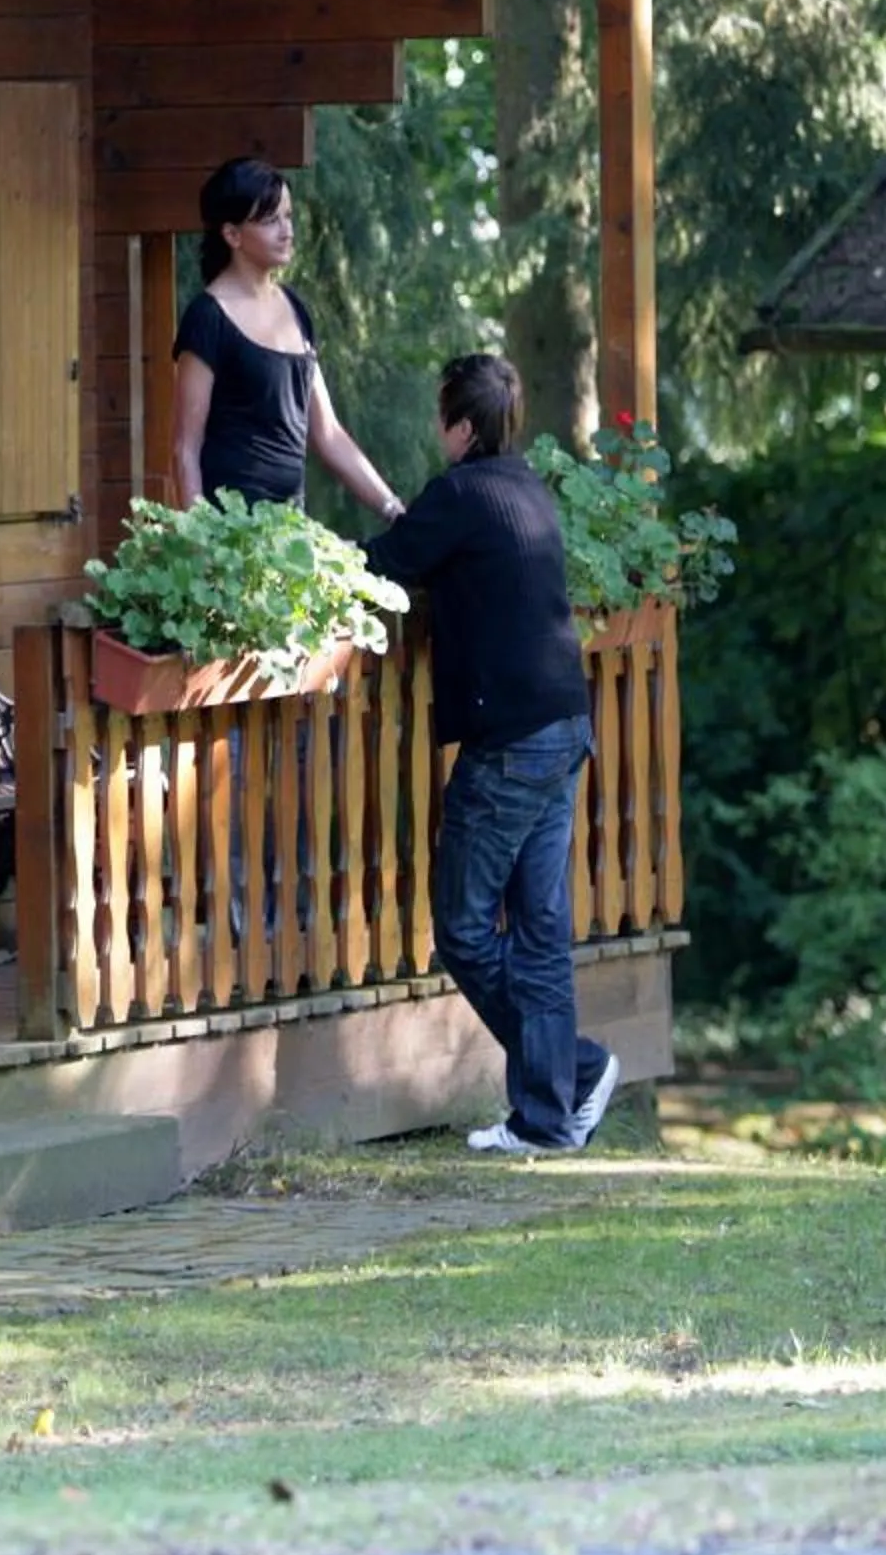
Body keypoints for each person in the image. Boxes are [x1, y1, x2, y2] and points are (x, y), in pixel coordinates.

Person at [364, 352, 621, 1155]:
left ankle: (572, 1073)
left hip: (511, 742)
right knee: (539, 930)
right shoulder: (525, 488)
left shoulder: (461, 495)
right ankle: (547, 1119)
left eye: (442, 412)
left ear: (463, 427)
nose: (435, 425)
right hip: (564, 722)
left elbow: (379, 563)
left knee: (466, 931)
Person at [170, 158, 404, 521]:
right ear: (232, 235)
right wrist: (200, 537)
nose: (287, 231)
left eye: (288, 216)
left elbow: (328, 434)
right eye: (270, 220)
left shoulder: (295, 308)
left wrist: (394, 510)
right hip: (229, 532)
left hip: (289, 528)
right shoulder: (207, 317)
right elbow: (186, 448)